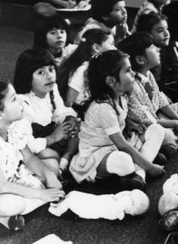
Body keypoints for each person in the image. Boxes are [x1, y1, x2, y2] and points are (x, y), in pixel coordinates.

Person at [69, 49, 165, 192]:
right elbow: (122, 146)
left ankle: (139, 175)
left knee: (157, 130)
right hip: (98, 155)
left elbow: (119, 125)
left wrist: (130, 124)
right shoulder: (102, 107)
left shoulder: (121, 96)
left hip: (115, 146)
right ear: (111, 81)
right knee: (124, 161)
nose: (133, 73)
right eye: (127, 71)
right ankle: (144, 166)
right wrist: (151, 167)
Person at [0, 81, 65, 231]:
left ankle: (13, 214)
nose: (21, 101)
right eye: (14, 99)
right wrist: (42, 194)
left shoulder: (15, 125)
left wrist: (49, 176)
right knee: (12, 205)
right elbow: (0, 185)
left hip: (12, 178)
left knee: (52, 168)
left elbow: (29, 158)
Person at [118, 32, 178, 161]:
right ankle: (167, 145)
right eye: (152, 47)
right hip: (144, 126)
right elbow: (147, 120)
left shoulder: (149, 74)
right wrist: (175, 123)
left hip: (156, 116)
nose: (157, 49)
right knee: (161, 133)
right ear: (140, 59)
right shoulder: (131, 86)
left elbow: (161, 101)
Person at [13, 48, 80, 175]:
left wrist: (68, 119)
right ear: (27, 77)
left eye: (51, 69)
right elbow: (26, 145)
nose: (49, 75)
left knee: (80, 130)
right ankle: (61, 167)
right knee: (50, 161)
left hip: (51, 137)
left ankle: (65, 159)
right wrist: (53, 138)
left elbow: (59, 111)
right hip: (31, 146)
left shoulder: (51, 90)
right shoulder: (22, 104)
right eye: (40, 72)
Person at [57, 28, 115, 110]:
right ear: (96, 48)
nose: (115, 48)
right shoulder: (83, 70)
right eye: (111, 44)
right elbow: (69, 102)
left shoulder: (98, 66)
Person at [48, 189, 149, 220]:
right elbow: (120, 200)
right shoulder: (120, 204)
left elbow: (120, 198)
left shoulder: (119, 205)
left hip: (92, 205)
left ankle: (59, 208)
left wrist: (126, 197)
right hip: (92, 204)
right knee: (72, 197)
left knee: (72, 198)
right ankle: (59, 207)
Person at [135, 11, 170, 82]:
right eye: (160, 31)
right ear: (147, 34)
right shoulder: (148, 56)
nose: (166, 34)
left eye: (167, 29)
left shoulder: (163, 49)